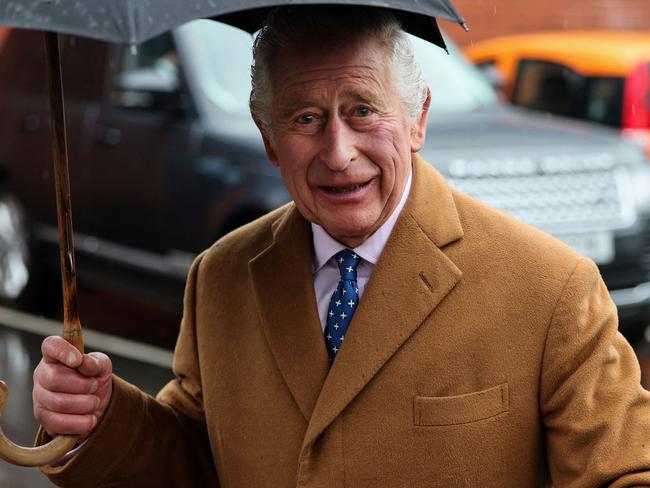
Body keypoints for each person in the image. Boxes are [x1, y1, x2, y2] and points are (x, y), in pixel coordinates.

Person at [32, 6, 650, 487]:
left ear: (417, 120)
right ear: (268, 138)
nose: (337, 152)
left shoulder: (548, 288)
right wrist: (101, 421)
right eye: (304, 118)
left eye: (361, 111)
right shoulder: (220, 277)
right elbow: (195, 460)